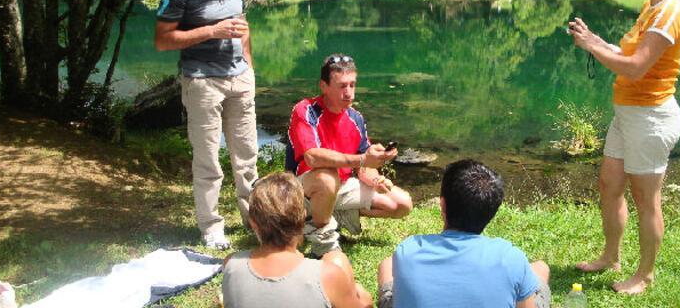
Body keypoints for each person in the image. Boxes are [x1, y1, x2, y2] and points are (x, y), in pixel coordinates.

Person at [568, 0, 680, 294]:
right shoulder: (652, 7)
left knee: (645, 199)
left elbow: (635, 68)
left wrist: (593, 46)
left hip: (650, 118)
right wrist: (597, 41)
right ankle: (611, 256)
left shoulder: (669, 13)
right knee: (609, 185)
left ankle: (645, 275)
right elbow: (627, 57)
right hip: (628, 115)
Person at [155, 0, 258, 250]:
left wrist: (249, 66)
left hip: (239, 78)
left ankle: (255, 219)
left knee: (247, 157)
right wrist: (211, 31)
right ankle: (212, 227)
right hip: (202, 83)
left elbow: (242, 23)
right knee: (208, 160)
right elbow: (163, 41)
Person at [376, 159, 550, 308]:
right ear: (492, 210)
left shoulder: (409, 250)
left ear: (442, 205)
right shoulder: (511, 257)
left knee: (386, 265)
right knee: (540, 268)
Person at [285, 54, 413, 257]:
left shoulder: (356, 118)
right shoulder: (305, 110)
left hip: (342, 189)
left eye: (352, 85)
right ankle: (322, 242)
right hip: (304, 189)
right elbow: (312, 158)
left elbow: (363, 163)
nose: (349, 93)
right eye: (342, 86)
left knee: (402, 204)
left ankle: (332, 215)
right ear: (323, 86)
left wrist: (373, 174)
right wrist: (361, 159)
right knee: (327, 177)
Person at [222, 172, 373, 308]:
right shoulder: (328, 275)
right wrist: (364, 297)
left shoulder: (231, 264)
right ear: (303, 219)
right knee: (338, 259)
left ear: (253, 223)